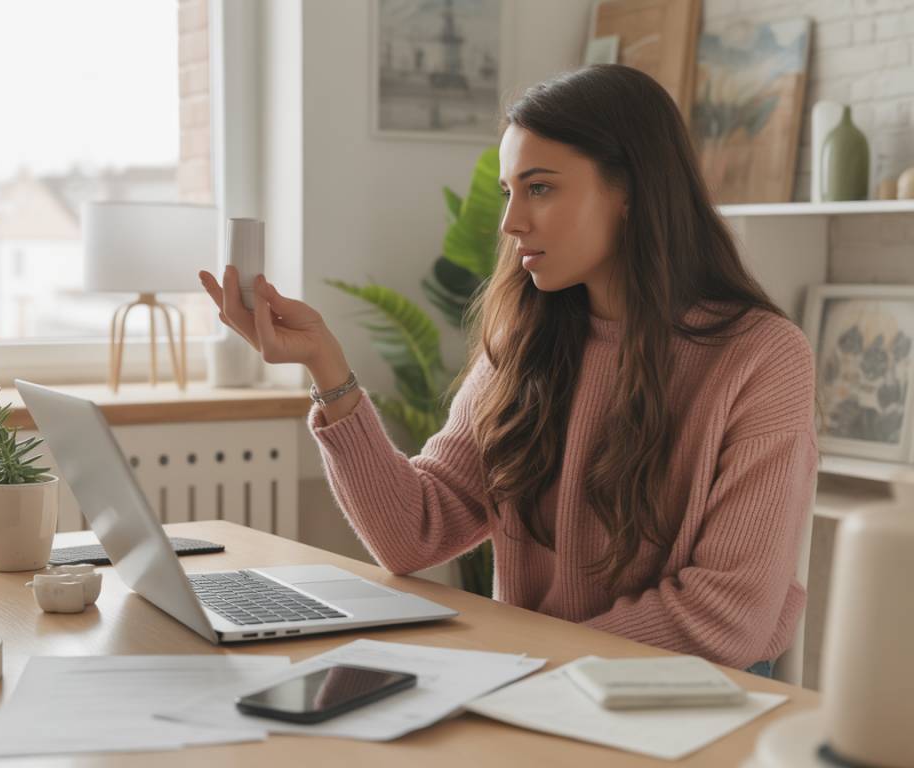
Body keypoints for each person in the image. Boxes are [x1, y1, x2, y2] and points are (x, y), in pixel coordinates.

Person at [199, 65, 817, 677]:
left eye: (539, 188)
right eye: (508, 192)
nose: (510, 222)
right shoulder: (527, 341)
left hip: (680, 699)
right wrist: (325, 365)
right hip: (535, 680)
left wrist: (517, 663)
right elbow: (414, 532)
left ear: (630, 189)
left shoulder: (760, 357)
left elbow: (727, 616)